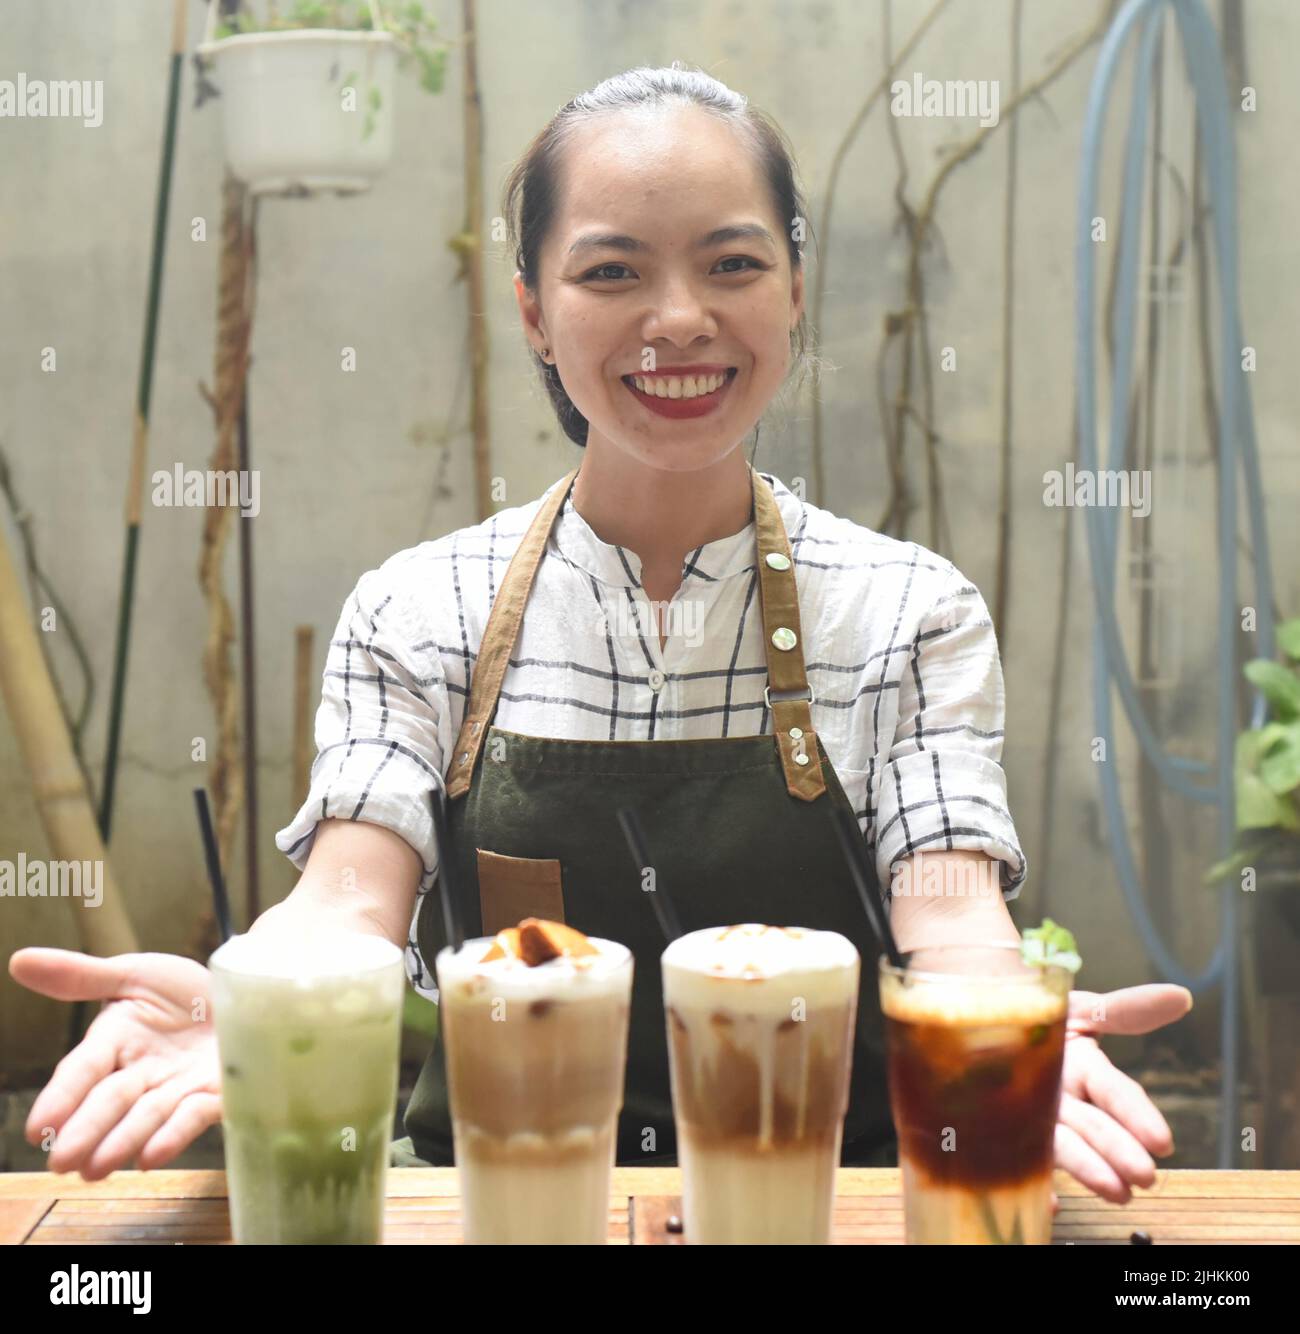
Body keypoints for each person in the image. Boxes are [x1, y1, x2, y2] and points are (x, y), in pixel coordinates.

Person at [9, 65, 1190, 1207]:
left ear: (792, 290)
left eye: (732, 263)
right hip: (494, 1203)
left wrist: (999, 1027)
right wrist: (259, 998)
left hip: (827, 1203)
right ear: (533, 308)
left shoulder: (907, 612)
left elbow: (951, 914)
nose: (679, 319)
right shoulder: (422, 612)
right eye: (611, 271)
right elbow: (345, 903)